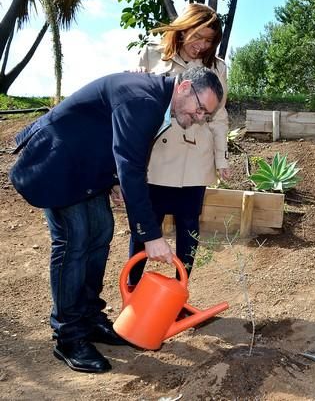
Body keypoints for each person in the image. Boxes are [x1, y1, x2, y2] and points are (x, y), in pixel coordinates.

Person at [9, 66, 223, 374]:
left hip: (86, 169)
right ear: (184, 87)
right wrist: (150, 235)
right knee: (75, 240)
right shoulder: (143, 99)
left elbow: (118, 142)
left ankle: (91, 318)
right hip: (56, 164)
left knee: (102, 231)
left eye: (207, 115)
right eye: (201, 109)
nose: (200, 117)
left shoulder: (160, 101)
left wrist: (114, 179)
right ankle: (68, 336)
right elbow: (131, 166)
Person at [127, 3, 230, 285]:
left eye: (209, 41)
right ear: (183, 29)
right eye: (198, 36)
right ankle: (132, 289)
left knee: (189, 229)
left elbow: (219, 115)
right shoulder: (151, 54)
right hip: (156, 161)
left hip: (195, 161)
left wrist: (221, 158)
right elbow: (131, 108)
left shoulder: (216, 68)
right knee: (144, 229)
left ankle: (179, 292)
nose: (202, 45)